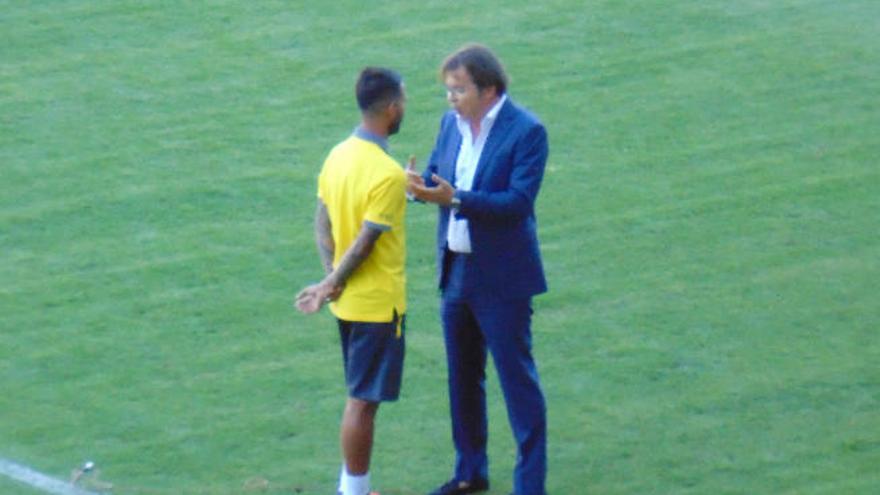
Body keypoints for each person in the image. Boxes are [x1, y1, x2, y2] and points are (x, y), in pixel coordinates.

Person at [407, 43, 549, 495]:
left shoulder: (526, 131)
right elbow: (438, 174)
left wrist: (455, 199)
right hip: (457, 273)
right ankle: (470, 472)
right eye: (448, 91)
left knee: (517, 382)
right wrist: (417, 188)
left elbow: (517, 202)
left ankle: (530, 485)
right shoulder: (450, 124)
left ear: (488, 90)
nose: (450, 98)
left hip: (502, 280)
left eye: (458, 90)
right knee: (463, 378)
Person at [295, 67, 408, 495]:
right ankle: (353, 492)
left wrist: (331, 277)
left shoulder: (338, 155)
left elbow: (322, 218)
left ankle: (353, 487)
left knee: (360, 398)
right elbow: (365, 243)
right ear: (392, 108)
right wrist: (330, 283)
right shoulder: (387, 172)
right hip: (377, 306)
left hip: (348, 303)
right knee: (362, 403)